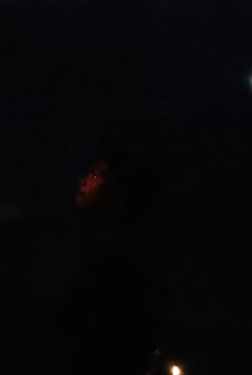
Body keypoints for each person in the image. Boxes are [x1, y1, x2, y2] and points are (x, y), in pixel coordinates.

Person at [54, 152, 166, 375]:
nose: (83, 180)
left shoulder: (125, 255)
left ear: (121, 195)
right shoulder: (97, 244)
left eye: (98, 175)